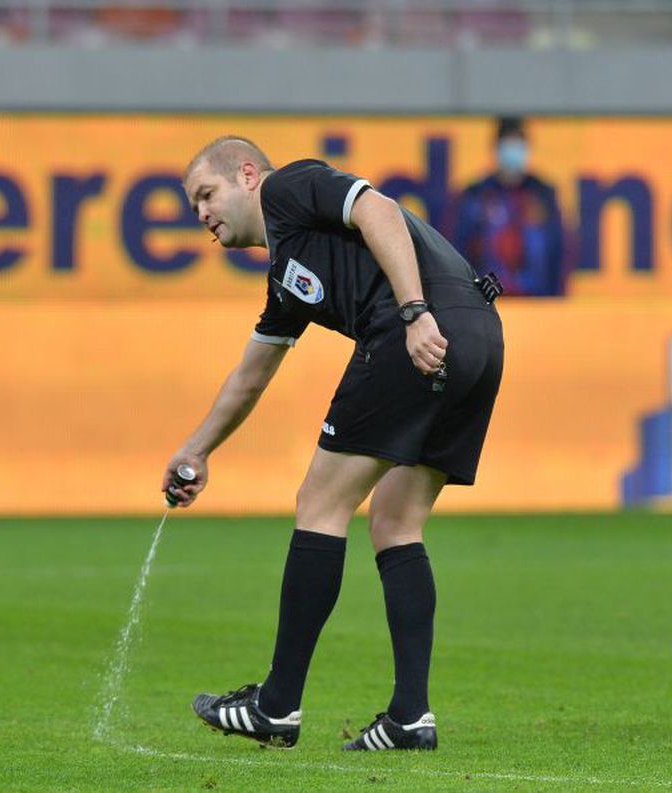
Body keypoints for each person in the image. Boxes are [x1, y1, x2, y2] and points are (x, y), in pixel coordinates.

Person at [162, 136, 504, 752]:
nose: (202, 215)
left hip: (419, 326)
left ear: (247, 176)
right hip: (480, 334)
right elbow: (252, 374)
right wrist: (198, 449)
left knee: (318, 506)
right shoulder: (288, 274)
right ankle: (409, 718)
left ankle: (278, 705)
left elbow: (377, 209)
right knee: (396, 524)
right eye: (193, 208)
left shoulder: (288, 188)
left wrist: (412, 311)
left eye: (206, 195)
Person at [451, 116, 566, 297]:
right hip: (489, 301)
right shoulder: (476, 194)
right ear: (496, 148)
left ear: (527, 148)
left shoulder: (543, 194)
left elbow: (559, 250)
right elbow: (459, 251)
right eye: (507, 144)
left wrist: (555, 297)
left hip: (537, 299)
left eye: (518, 144)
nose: (513, 152)